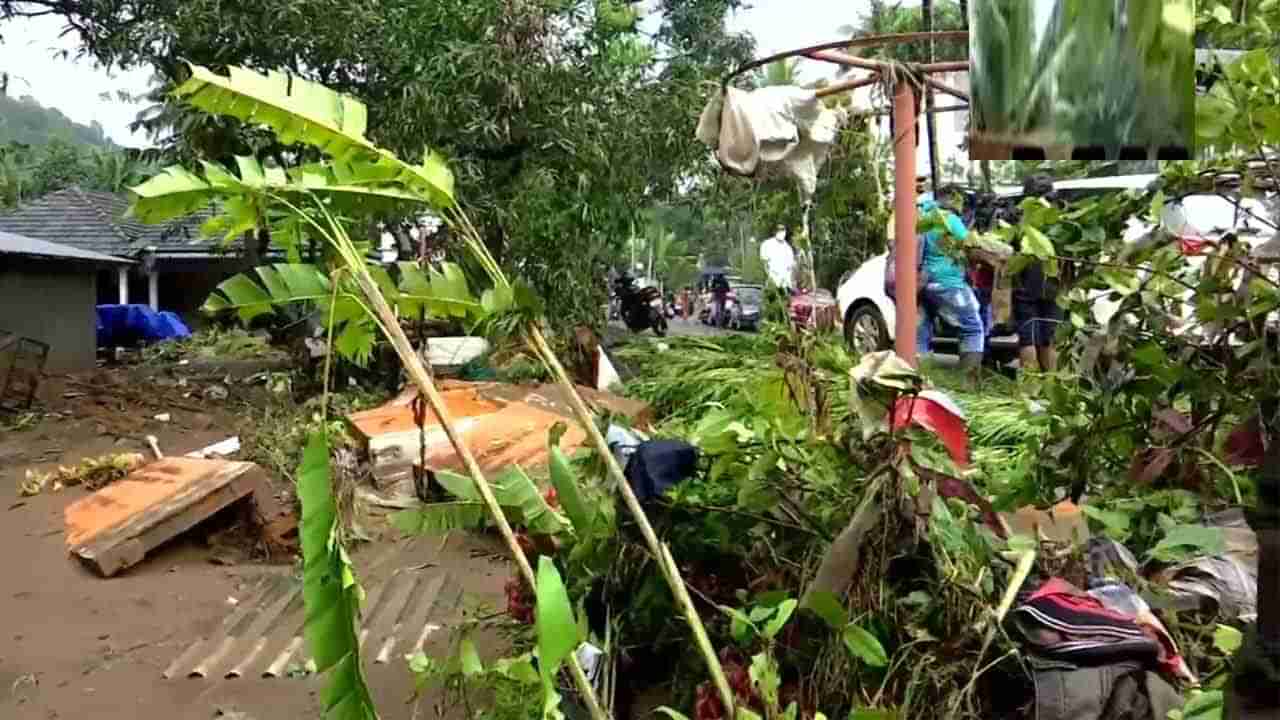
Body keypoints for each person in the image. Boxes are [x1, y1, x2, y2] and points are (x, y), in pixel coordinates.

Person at [916, 196, 986, 375]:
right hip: (949, 283)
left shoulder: (922, 218)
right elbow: (969, 245)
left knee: (921, 331)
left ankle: (918, 377)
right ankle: (969, 382)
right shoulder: (950, 219)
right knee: (972, 328)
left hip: (921, 284)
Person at [1013, 175, 1064, 373]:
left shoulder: (1019, 216)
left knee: (1028, 337)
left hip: (1024, 281)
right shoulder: (1059, 215)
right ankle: (1052, 383)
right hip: (1053, 281)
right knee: (1051, 336)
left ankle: (1031, 388)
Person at [759, 224, 796, 324]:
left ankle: (782, 324)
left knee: (784, 308)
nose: (782, 233)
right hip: (773, 281)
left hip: (785, 284)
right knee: (772, 306)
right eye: (780, 231)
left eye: (783, 231)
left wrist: (790, 282)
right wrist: (769, 278)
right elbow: (764, 263)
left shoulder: (787, 248)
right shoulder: (767, 244)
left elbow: (791, 267)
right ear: (775, 232)